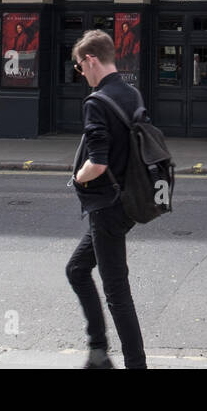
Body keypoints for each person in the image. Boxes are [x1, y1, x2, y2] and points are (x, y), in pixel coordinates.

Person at [66, 29, 148, 369]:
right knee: (77, 269)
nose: (81, 74)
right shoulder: (132, 94)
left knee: (117, 292)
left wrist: (76, 178)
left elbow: (97, 162)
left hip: (107, 206)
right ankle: (98, 350)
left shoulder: (97, 102)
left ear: (91, 60)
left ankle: (135, 364)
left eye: (79, 67)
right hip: (128, 200)